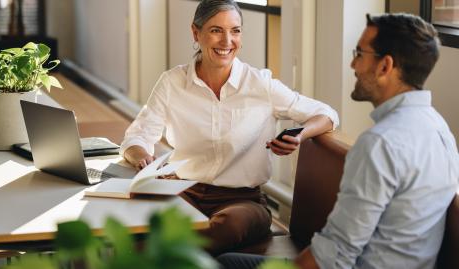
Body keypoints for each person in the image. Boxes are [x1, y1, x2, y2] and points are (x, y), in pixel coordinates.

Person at [217, 13, 459, 268]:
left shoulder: (380, 144)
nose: (353, 64)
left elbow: (332, 257)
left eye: (359, 53)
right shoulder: (440, 129)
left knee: (224, 263)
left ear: (385, 66)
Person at [120, 0, 338, 255]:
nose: (227, 41)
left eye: (235, 30)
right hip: (182, 190)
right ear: (196, 32)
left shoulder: (261, 84)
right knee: (139, 214)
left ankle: (142, 258)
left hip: (243, 201)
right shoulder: (172, 83)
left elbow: (326, 114)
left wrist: (300, 136)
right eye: (216, 30)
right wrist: (141, 156)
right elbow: (138, 135)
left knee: (229, 225)